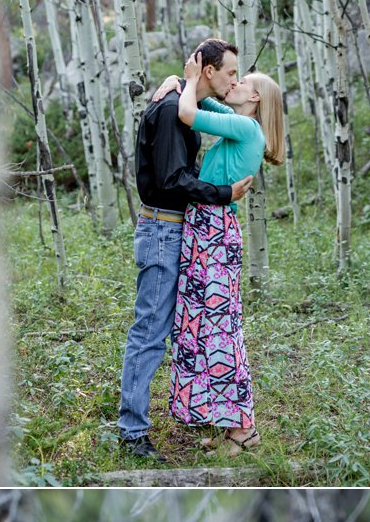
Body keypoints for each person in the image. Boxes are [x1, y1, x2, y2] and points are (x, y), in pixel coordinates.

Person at [116, 38, 252, 459]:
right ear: (209, 71)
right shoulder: (172, 111)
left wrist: (179, 80)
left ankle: (196, 415)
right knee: (150, 331)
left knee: (180, 329)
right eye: (230, 71)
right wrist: (223, 192)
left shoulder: (183, 102)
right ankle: (132, 432)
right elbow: (173, 179)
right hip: (163, 230)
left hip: (174, 230)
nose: (235, 79)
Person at [149, 54, 286, 454]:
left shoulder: (245, 127)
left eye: (243, 81)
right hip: (206, 227)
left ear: (255, 98)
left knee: (220, 328)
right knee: (204, 324)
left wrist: (188, 82)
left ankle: (244, 428)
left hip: (213, 229)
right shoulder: (238, 123)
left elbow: (190, 113)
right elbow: (198, 98)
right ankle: (227, 422)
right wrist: (178, 79)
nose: (235, 83)